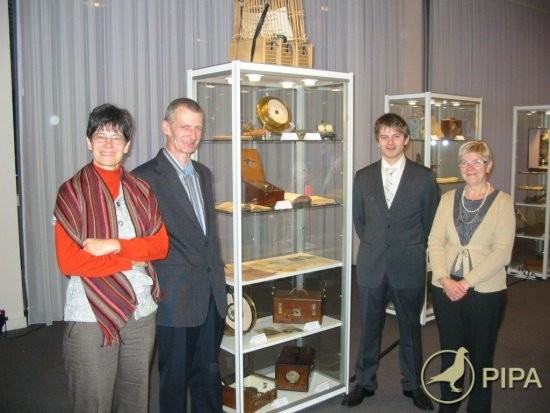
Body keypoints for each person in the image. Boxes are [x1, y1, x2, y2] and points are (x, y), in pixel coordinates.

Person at [54, 103, 169, 413]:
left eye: (116, 137)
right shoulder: (72, 193)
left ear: (127, 145)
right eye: (100, 136)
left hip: (140, 309)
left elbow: (160, 246)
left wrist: (114, 245)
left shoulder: (141, 190)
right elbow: (70, 263)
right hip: (91, 311)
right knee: (92, 399)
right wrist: (131, 259)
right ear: (88, 141)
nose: (108, 144)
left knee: (136, 396)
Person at [133, 98, 227, 413]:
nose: (192, 134)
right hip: (175, 299)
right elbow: (139, 242)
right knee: (174, 383)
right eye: (185, 126)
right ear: (166, 127)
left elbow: (206, 238)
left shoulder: (203, 173)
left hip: (211, 294)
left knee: (208, 376)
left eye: (198, 127)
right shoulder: (143, 178)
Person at [343, 113, 440, 410]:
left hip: (407, 265)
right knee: (369, 328)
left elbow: (431, 222)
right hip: (372, 265)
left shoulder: (424, 177)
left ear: (406, 140)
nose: (390, 141)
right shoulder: (363, 176)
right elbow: (361, 222)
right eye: (384, 136)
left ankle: (413, 385)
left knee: (410, 329)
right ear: (377, 140)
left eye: (396, 135)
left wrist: (408, 246)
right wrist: (377, 244)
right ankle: (364, 382)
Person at [428, 140, 515, 413]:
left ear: (489, 166)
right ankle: (449, 405)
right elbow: (435, 241)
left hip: (485, 291)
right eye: (465, 162)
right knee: (450, 352)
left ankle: (478, 408)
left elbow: (502, 253)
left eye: (478, 161)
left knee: (481, 355)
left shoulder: (503, 202)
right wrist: (444, 279)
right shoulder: (447, 199)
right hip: (445, 288)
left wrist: (465, 283)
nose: (471, 167)